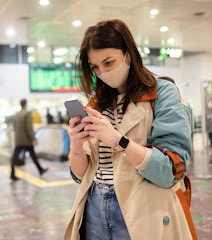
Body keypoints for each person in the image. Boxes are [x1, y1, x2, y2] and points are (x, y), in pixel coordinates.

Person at [64, 19, 196, 240]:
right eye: (95, 67)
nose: (103, 72)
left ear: (128, 54)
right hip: (93, 207)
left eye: (109, 62)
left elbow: (171, 170)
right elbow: (80, 176)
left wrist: (119, 140)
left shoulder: (163, 93)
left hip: (144, 208)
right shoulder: (97, 103)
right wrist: (76, 147)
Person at [10, 99, 48, 181]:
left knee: (15, 157)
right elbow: (29, 128)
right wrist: (33, 139)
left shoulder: (16, 114)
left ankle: (12, 173)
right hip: (26, 140)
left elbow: (14, 127)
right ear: (25, 104)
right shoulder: (27, 114)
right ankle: (40, 170)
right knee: (33, 156)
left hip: (18, 140)